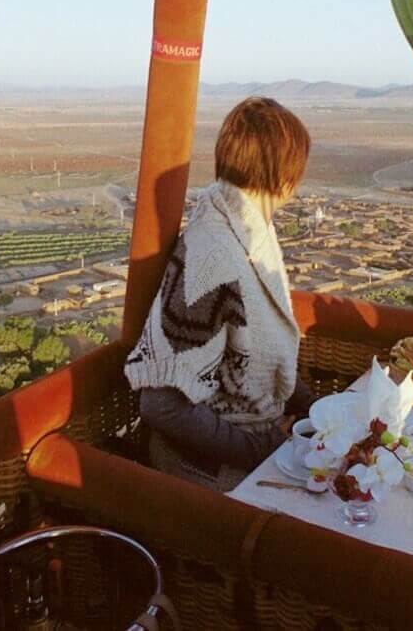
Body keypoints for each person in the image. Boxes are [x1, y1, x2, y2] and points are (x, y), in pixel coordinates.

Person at [124, 97, 313, 491]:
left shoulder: (248, 229)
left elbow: (255, 360)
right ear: (284, 177)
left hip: (253, 440)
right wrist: (260, 446)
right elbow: (160, 404)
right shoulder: (212, 256)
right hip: (205, 466)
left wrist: (321, 410)